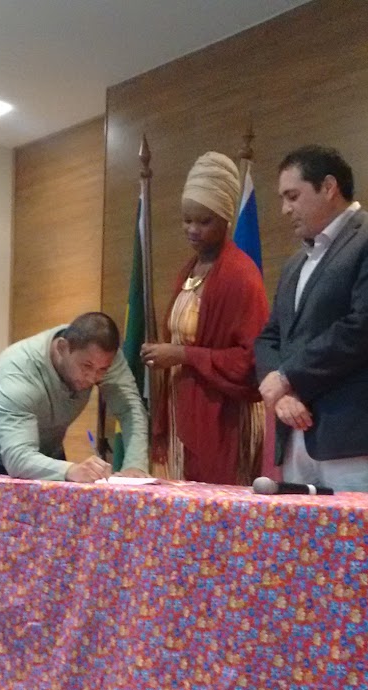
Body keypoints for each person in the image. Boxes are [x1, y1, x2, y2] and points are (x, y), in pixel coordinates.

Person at [253, 145, 368, 494]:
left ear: (329, 187)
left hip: (358, 437)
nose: (285, 209)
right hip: (296, 436)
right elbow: (270, 337)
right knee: (297, 533)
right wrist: (280, 393)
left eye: (293, 196)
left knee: (360, 533)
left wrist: (287, 377)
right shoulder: (295, 263)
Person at [138, 152, 269, 485]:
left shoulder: (241, 276)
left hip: (223, 418)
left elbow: (251, 361)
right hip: (184, 408)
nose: (192, 230)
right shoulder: (188, 270)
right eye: (187, 220)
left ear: (225, 220)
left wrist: (182, 354)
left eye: (204, 221)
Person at [0, 312, 150, 482]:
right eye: (86, 366)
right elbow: (17, 458)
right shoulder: (19, 373)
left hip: (47, 451)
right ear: (62, 348)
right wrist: (71, 470)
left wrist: (135, 465)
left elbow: (129, 408)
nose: (93, 378)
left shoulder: (100, 356)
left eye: (103, 369)